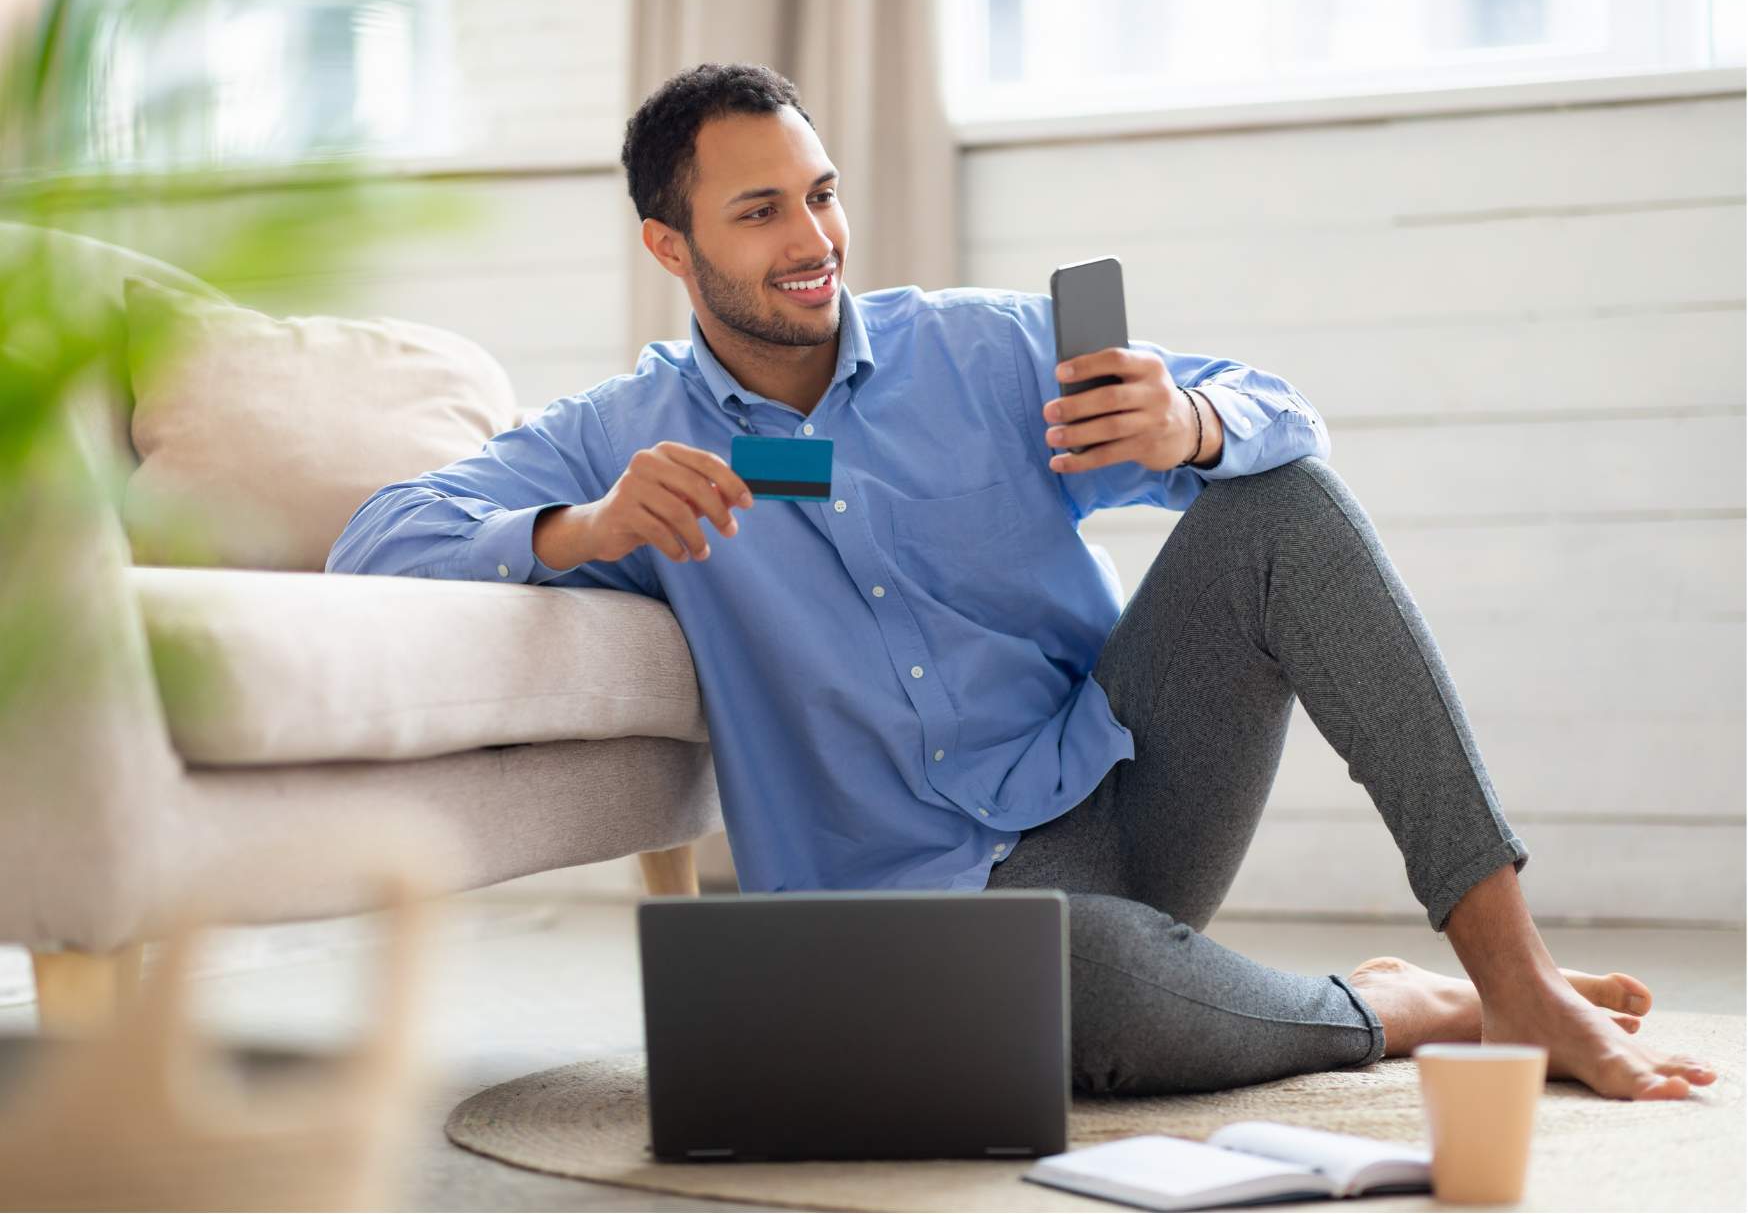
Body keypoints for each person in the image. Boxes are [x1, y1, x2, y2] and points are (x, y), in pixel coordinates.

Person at [328, 62, 1714, 1101]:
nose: (813, 239)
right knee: (1089, 999)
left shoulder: (980, 354)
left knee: (1279, 504)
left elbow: (1277, 406)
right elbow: (377, 539)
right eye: (760, 212)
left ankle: (1512, 977)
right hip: (918, 919)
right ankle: (1387, 1007)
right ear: (669, 247)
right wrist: (577, 530)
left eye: (821, 195)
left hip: (1126, 793)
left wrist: (1193, 425)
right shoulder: (622, 438)